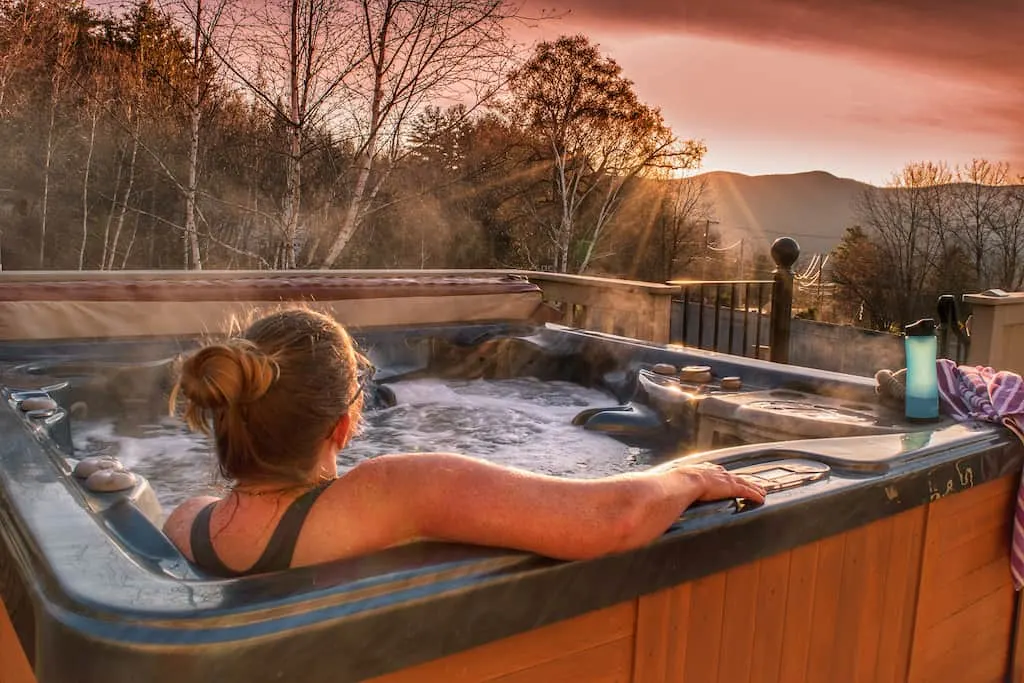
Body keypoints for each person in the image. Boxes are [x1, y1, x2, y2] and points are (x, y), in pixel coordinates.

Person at [162, 307, 765, 577]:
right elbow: (610, 521)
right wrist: (691, 476)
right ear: (341, 426)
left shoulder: (182, 525)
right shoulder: (390, 493)